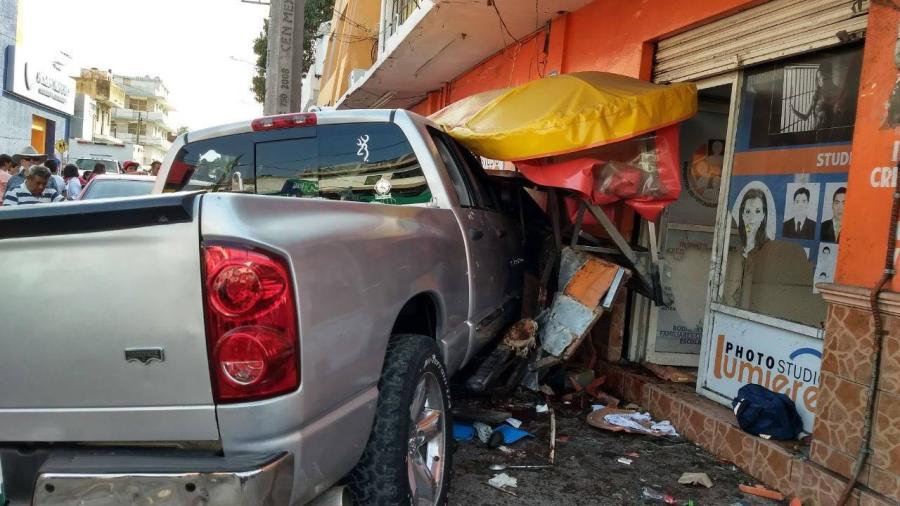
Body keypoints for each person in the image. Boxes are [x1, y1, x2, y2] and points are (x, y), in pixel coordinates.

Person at [738, 188, 770, 256]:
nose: (752, 218)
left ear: (763, 216)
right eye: (748, 211)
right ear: (743, 215)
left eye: (757, 211)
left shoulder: (767, 247)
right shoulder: (735, 241)